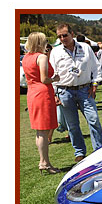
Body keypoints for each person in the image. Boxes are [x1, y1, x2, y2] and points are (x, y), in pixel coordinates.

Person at [50, 23, 102, 163]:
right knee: (72, 125)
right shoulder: (56, 52)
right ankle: (79, 152)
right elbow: (52, 74)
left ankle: (99, 150)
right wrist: (55, 93)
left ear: (72, 34)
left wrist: (95, 83)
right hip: (65, 91)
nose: (63, 38)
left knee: (94, 120)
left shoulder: (85, 47)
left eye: (65, 35)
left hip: (85, 90)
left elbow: (96, 67)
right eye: (59, 36)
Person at [23, 32, 61, 174]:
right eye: (45, 41)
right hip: (43, 93)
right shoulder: (41, 57)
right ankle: (44, 162)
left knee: (40, 132)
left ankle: (43, 161)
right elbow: (44, 79)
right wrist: (55, 78)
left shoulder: (27, 57)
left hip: (32, 92)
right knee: (44, 131)